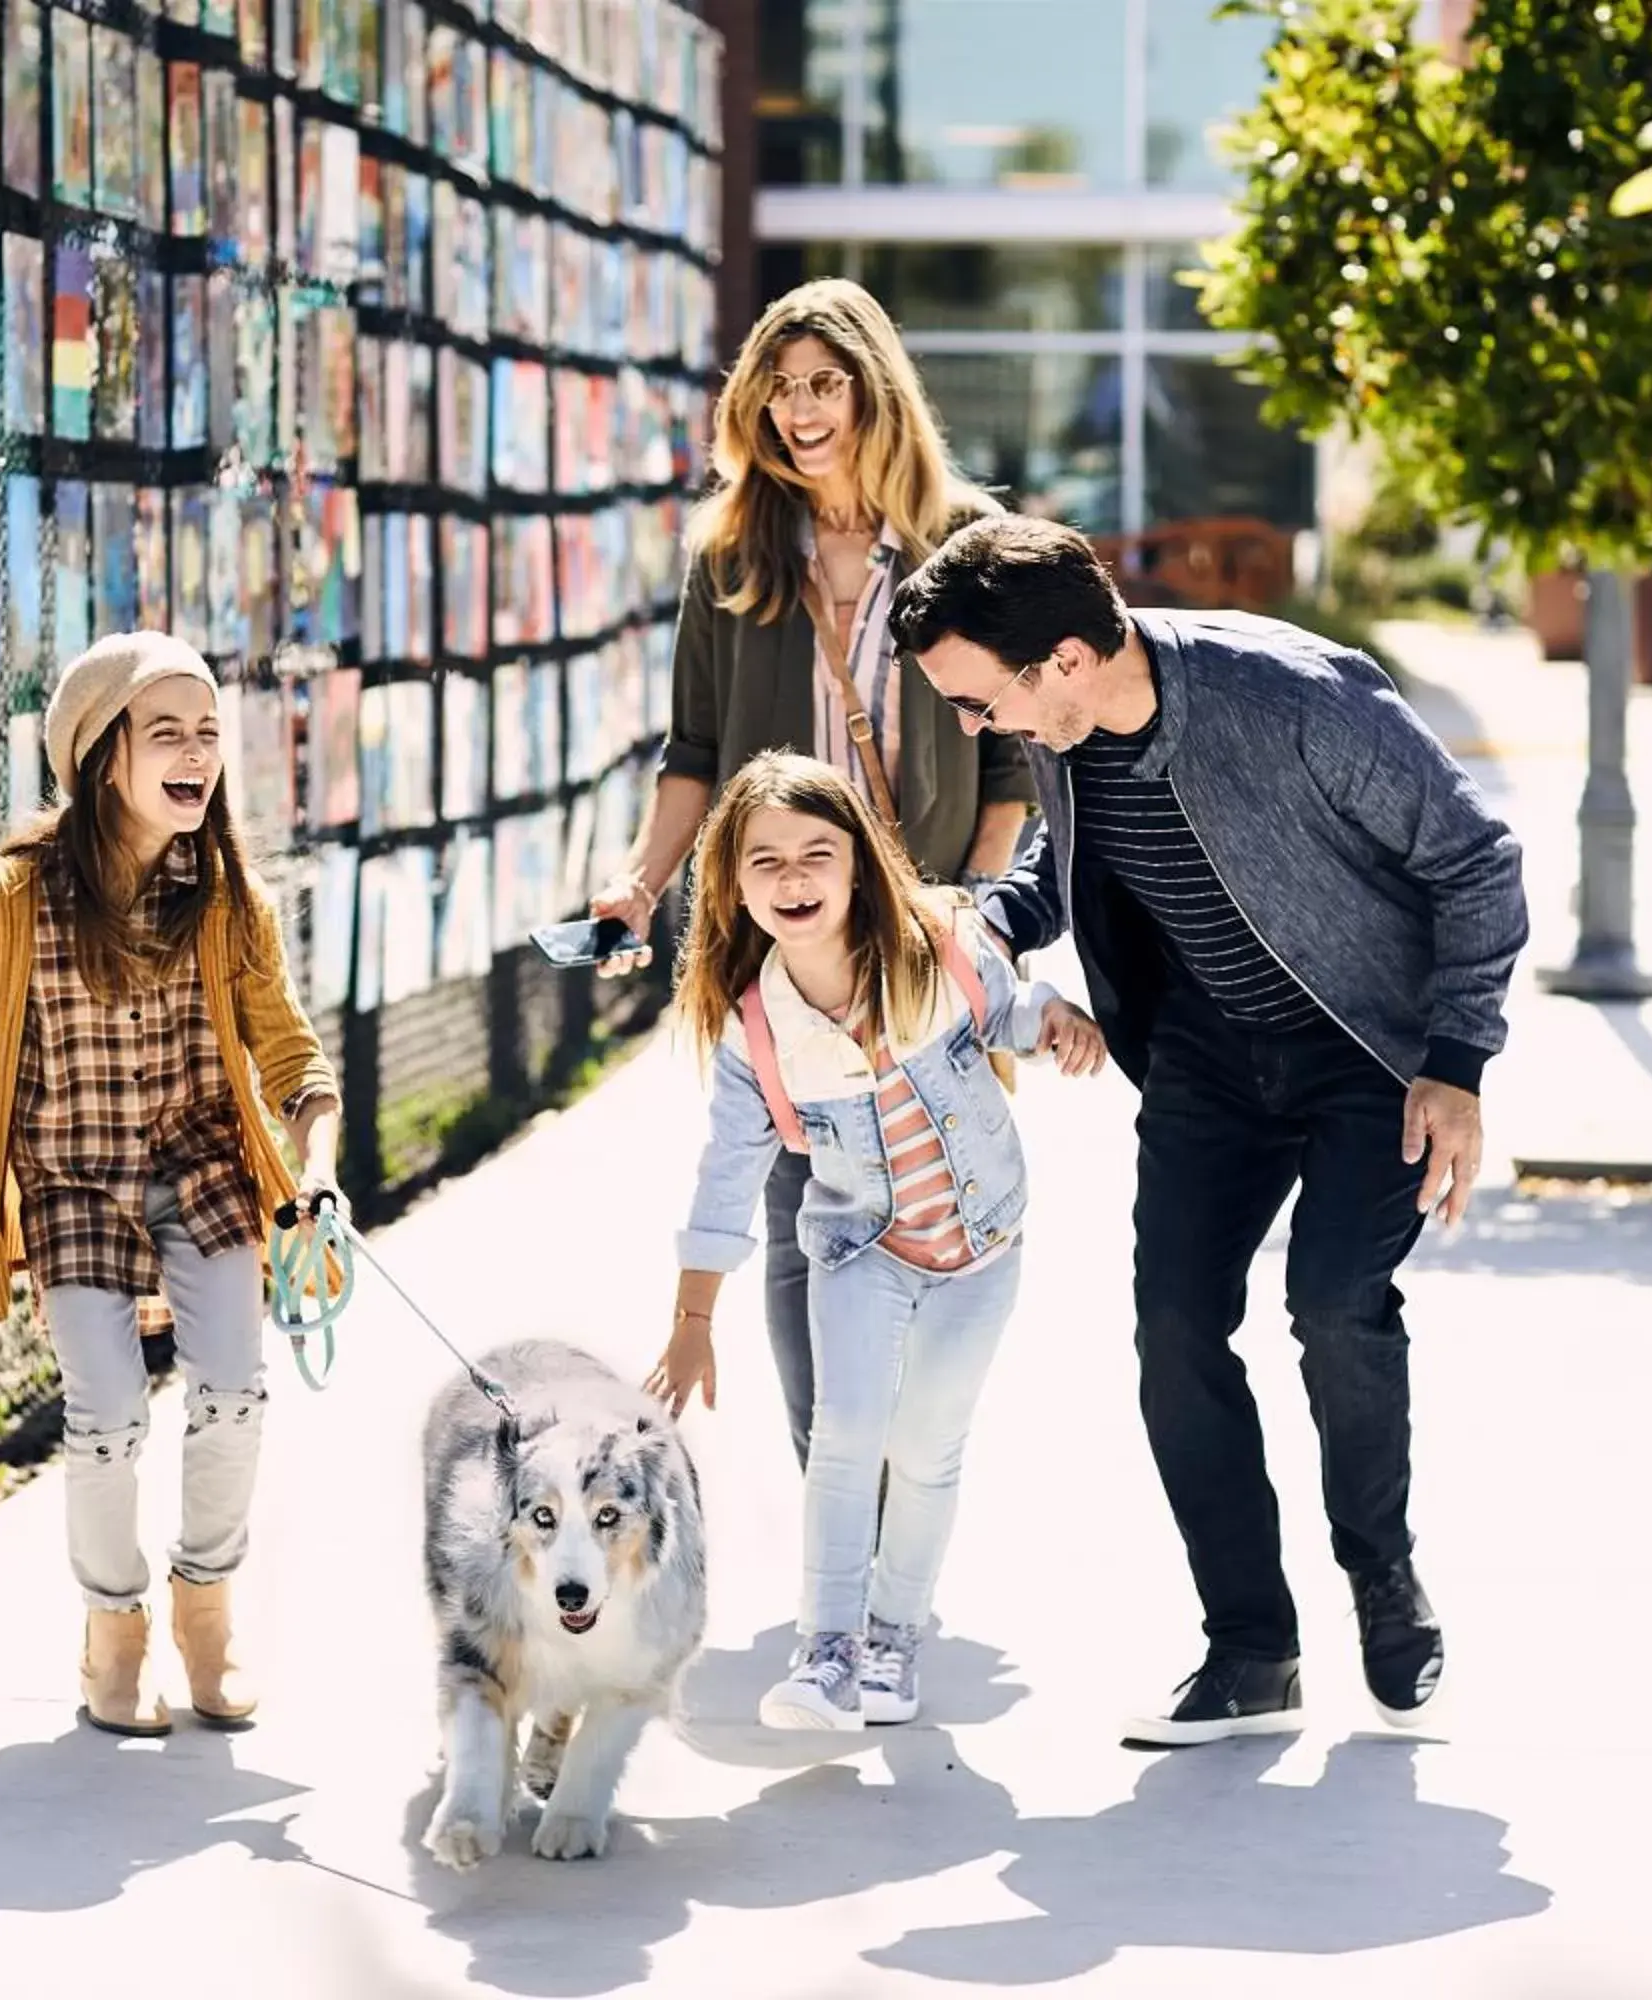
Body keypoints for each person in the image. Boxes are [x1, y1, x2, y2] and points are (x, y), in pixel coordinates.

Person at [887, 513, 1529, 1748]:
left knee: (1337, 1305)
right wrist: (978, 928)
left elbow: (1476, 863)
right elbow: (1061, 874)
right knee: (1176, 1326)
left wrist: (1458, 1063)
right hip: (1206, 1059)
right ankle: (1251, 1647)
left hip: (1368, 1054)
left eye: (978, 704)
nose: (976, 730)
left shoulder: (1295, 698)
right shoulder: (1064, 725)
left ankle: (1381, 1575)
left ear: (1063, 662)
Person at [591, 277, 1039, 1478]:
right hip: (787, 933)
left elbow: (1011, 764)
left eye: (823, 383)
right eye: (778, 387)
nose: (799, 409)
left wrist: (974, 918)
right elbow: (694, 752)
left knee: (927, 1198)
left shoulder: (964, 540)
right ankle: (837, 1481)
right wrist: (641, 884)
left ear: (872, 391)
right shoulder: (734, 555)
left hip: (923, 937)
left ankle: (907, 1459)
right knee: (806, 1201)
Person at [0, 631, 344, 1738]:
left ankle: (207, 1610)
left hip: (202, 1170)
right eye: (169, 733)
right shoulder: (13, 902)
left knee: (235, 1395)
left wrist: (316, 1179)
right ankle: (116, 1634)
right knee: (105, 1417)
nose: (198, 752)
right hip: (70, 1186)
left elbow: (294, 1060)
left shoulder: (229, 900)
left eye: (208, 732)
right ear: (105, 756)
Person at [645, 753, 1104, 1731]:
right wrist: (693, 1318)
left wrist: (1055, 1016)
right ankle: (828, 1650)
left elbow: (1005, 1013)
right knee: (845, 1441)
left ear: (860, 863)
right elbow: (726, 1175)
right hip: (859, 1251)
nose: (794, 877)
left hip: (980, 1249)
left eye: (818, 852)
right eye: (766, 860)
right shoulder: (758, 1029)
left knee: (927, 1448)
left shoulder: (938, 941)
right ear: (732, 880)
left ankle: (893, 1641)